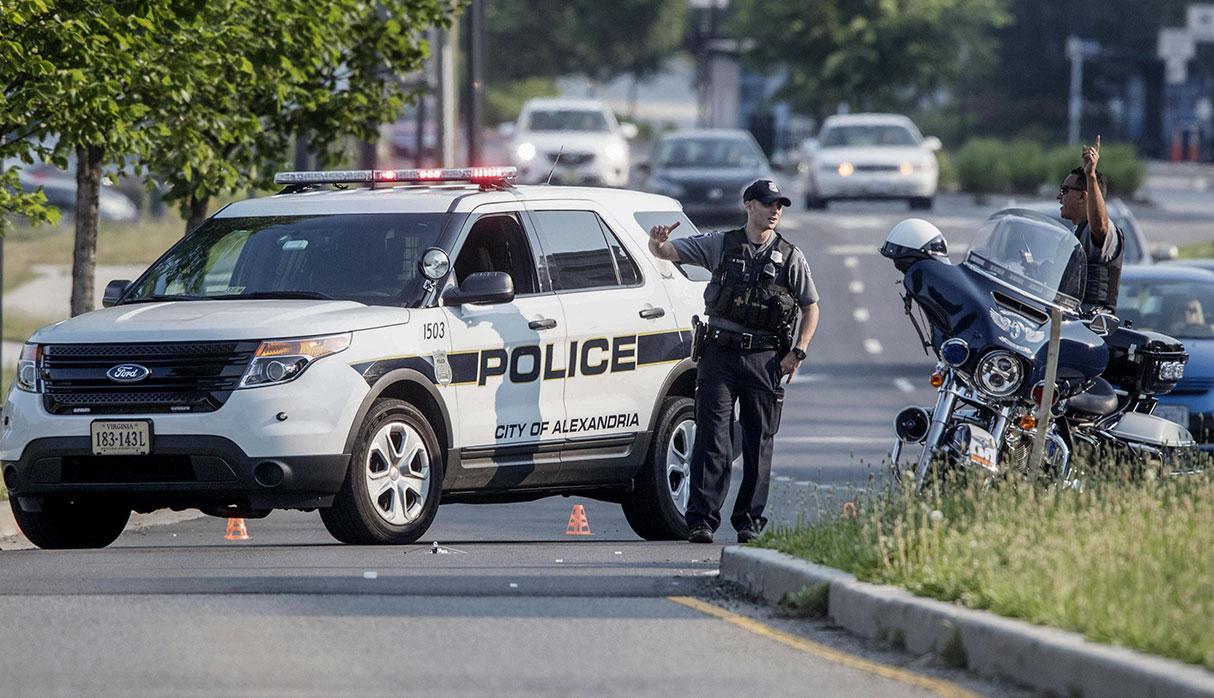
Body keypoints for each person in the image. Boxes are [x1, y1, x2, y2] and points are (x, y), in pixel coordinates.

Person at [647, 180, 820, 543]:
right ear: (748, 206)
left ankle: (749, 524)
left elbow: (810, 307)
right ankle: (701, 522)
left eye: (780, 206)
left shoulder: (790, 256)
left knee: (759, 442)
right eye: (768, 204)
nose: (775, 211)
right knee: (713, 439)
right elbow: (668, 253)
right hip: (720, 356)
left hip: (765, 360)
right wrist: (657, 241)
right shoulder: (721, 244)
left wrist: (798, 351)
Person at [1056, 134, 1124, 314]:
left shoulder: (1100, 231)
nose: (1059, 197)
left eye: (1065, 191)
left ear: (1082, 196)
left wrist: (1090, 176)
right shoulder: (1075, 233)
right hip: (1068, 321)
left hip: (1091, 327)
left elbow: (1100, 228)